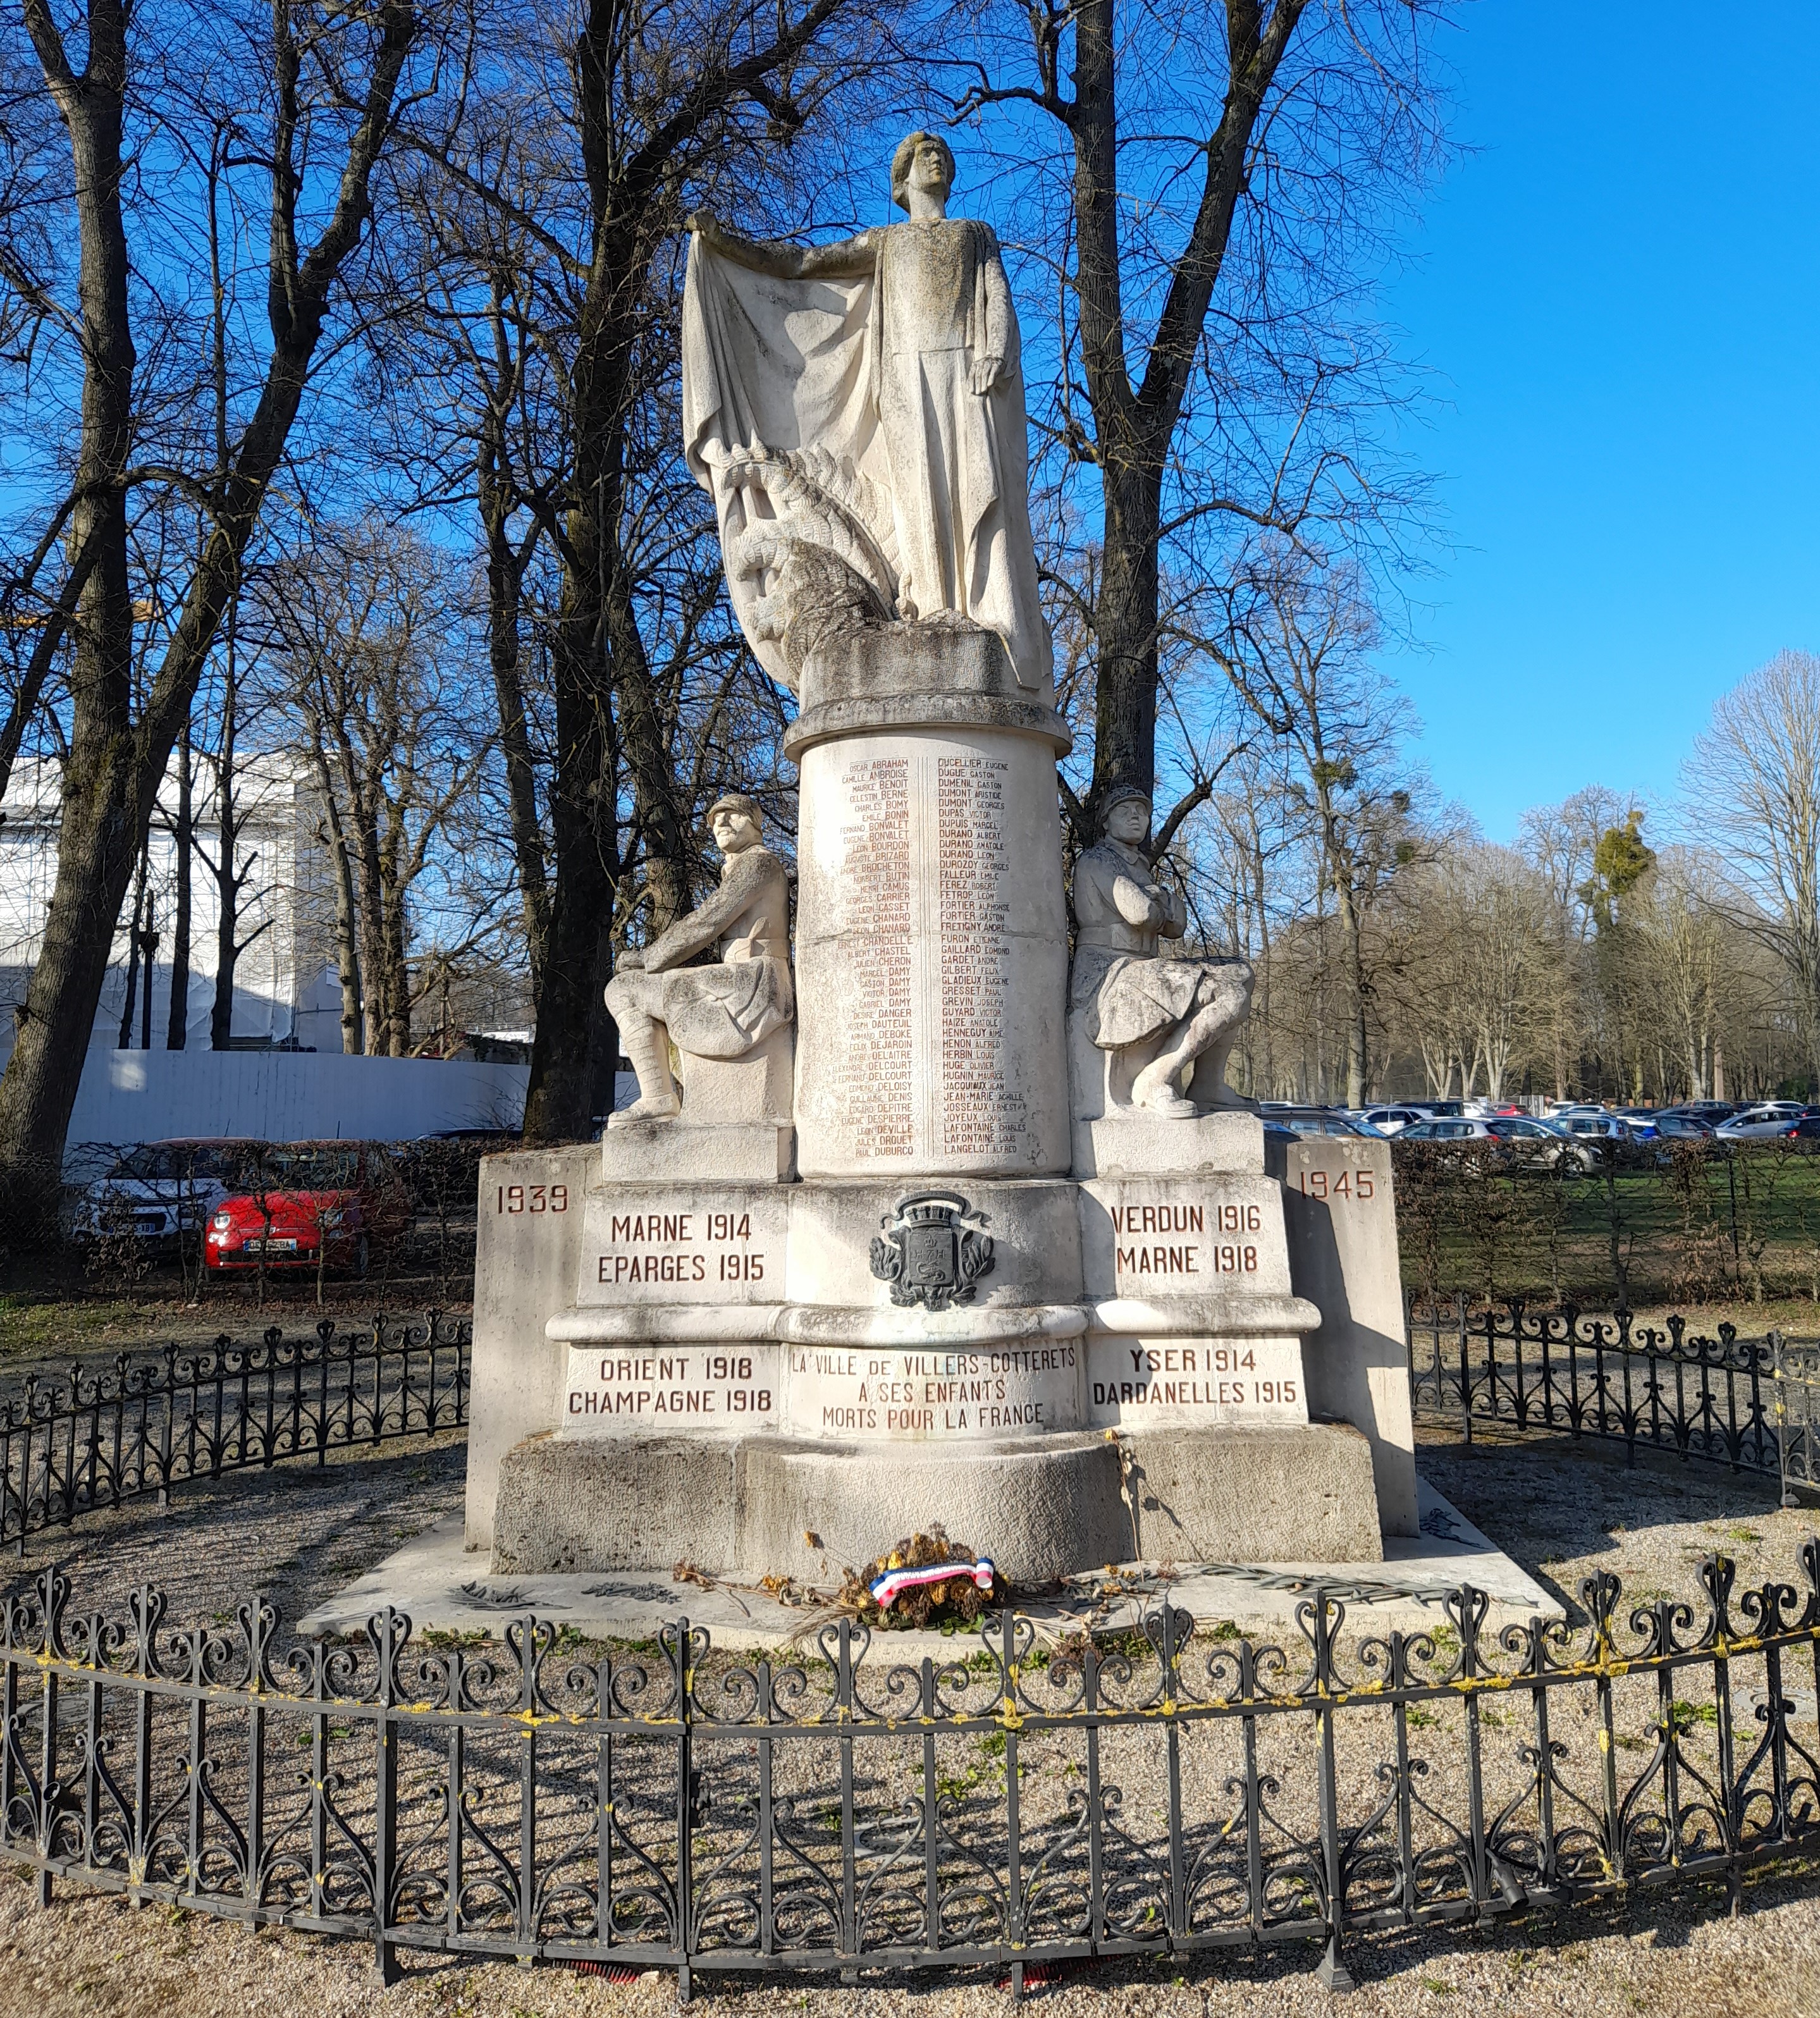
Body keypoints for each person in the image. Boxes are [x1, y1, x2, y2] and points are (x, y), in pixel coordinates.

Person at [683, 132, 1052, 695]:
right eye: (920, 155)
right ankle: (932, 609)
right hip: (905, 380)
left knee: (978, 491)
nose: (933, 158)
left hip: (963, 375)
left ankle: (981, 614)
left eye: (940, 153)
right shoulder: (886, 243)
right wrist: (725, 245)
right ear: (903, 182)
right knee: (921, 496)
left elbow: (995, 296)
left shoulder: (976, 237)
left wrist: (996, 351)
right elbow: (802, 263)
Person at [605, 794, 793, 1125]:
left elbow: (708, 921)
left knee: (623, 990)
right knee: (626, 988)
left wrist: (649, 958)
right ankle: (660, 1097)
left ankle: (658, 1097)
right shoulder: (740, 866)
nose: (720, 823)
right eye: (714, 819)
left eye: (732, 815)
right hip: (743, 975)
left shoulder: (758, 863)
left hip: (756, 979)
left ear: (754, 822)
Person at [1070, 788, 1253, 1117]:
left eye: (1142, 810)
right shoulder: (1098, 860)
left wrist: (1157, 901)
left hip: (1141, 964)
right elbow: (1140, 912)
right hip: (1107, 969)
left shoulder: (1139, 867)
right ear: (1106, 822)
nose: (1136, 816)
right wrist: (1159, 901)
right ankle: (1154, 1081)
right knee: (1227, 995)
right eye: (1125, 810)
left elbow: (1175, 925)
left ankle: (1208, 1083)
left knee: (1241, 973)